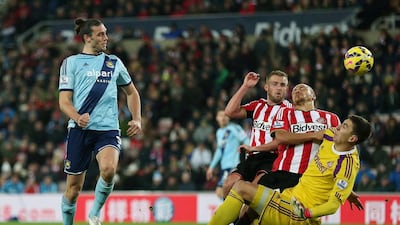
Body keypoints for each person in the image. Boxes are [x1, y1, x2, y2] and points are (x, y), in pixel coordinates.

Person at [208, 114, 372, 225]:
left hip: (299, 213)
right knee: (252, 215)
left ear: (352, 138)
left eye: (344, 126)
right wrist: (348, 191)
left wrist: (306, 213)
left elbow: (332, 207)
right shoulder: (329, 136)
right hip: (289, 196)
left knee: (242, 188)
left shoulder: (348, 166)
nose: (337, 127)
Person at [58, 18, 142, 225]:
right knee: (73, 190)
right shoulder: (71, 63)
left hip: (108, 129)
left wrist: (137, 119)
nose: (106, 37)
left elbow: (132, 93)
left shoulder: (114, 62)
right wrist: (77, 117)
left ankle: (95, 214)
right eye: (101, 34)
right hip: (80, 130)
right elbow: (64, 102)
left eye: (106, 33)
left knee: (109, 169)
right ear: (87, 38)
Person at [223, 70, 292, 199]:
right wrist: (245, 87)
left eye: (282, 85)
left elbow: (280, 141)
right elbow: (229, 112)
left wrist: (253, 148)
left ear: (287, 89)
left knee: (252, 190)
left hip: (273, 159)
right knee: (228, 184)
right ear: (266, 87)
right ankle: (231, 217)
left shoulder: (290, 111)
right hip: (252, 157)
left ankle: (247, 217)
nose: (278, 88)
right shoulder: (258, 106)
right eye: (275, 84)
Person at [206, 110, 250, 199]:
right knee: (222, 192)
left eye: (225, 116)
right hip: (224, 166)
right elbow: (219, 150)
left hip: (234, 165)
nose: (223, 118)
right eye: (220, 116)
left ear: (229, 118)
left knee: (222, 191)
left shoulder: (234, 128)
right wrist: (211, 167)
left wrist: (251, 152)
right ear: (217, 118)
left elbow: (246, 140)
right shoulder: (219, 132)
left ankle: (231, 211)